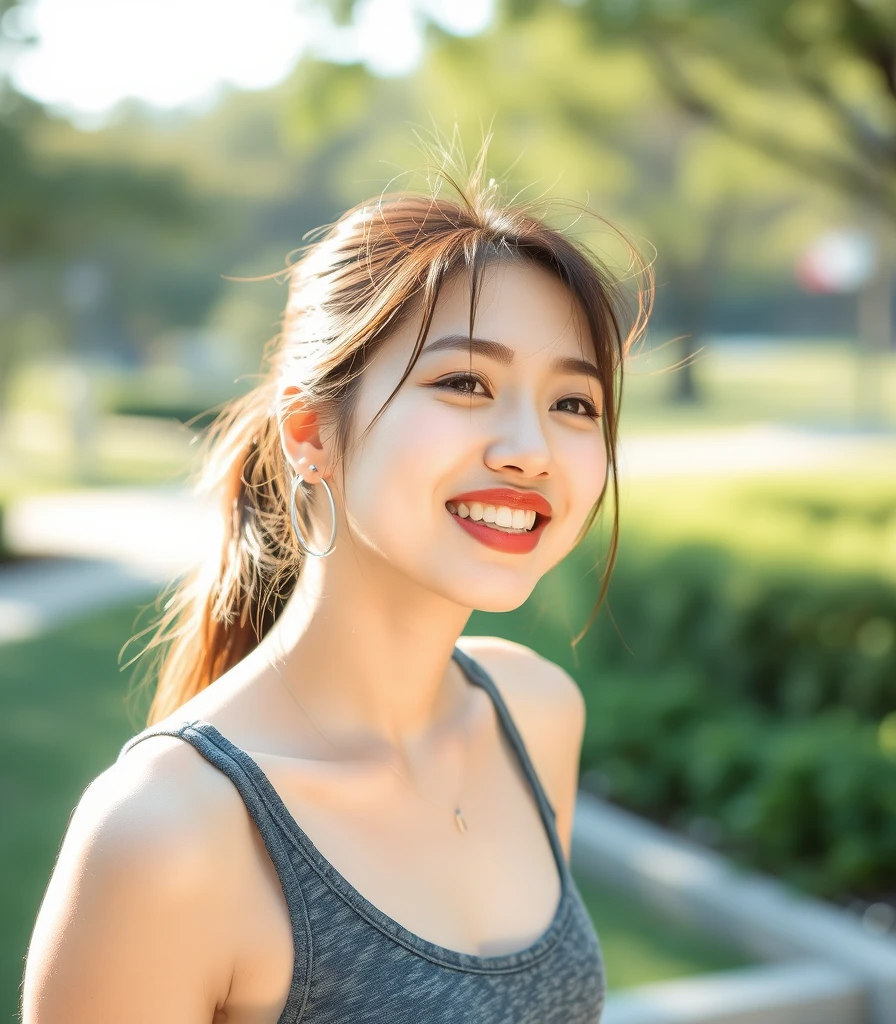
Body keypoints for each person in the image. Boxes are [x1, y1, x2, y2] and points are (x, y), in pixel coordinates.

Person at [21, 153, 652, 1024]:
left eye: (574, 404)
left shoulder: (536, 713)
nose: (530, 449)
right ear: (310, 432)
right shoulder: (168, 834)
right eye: (465, 382)